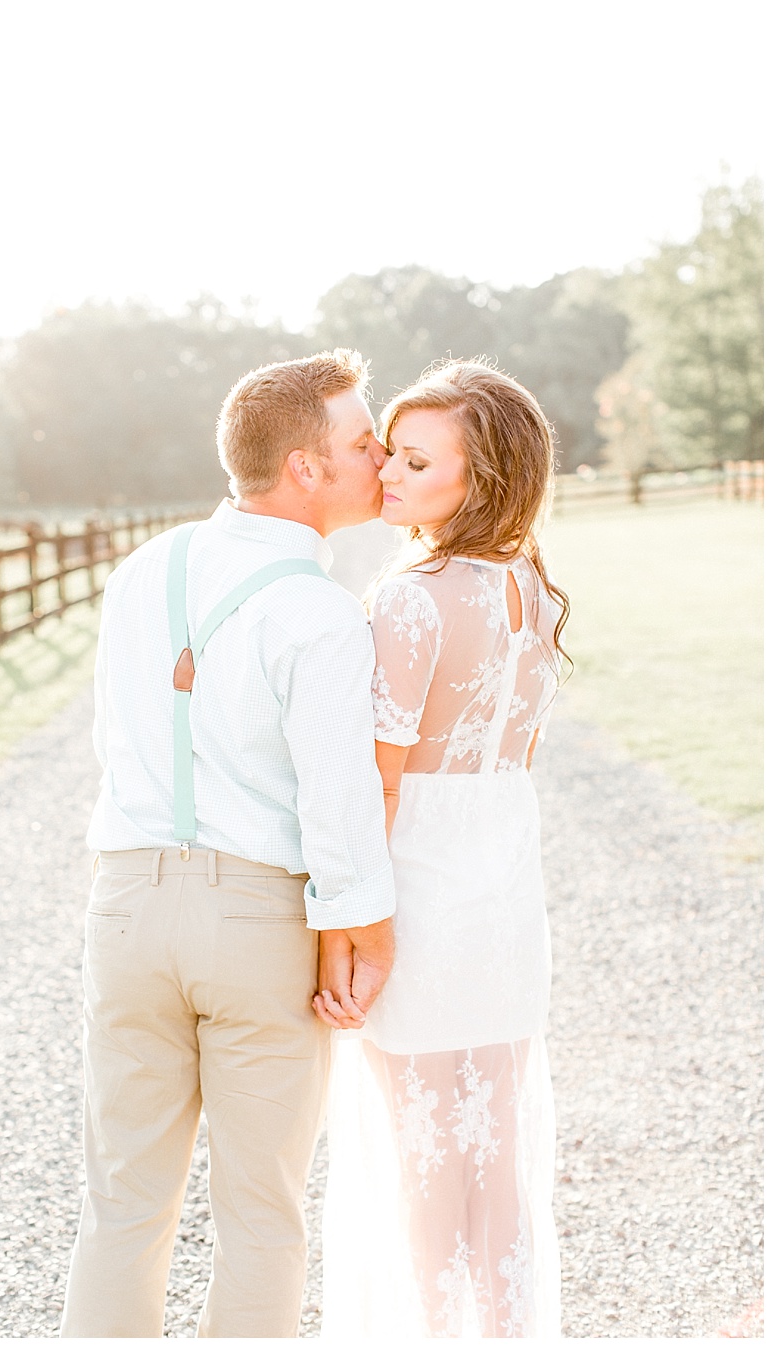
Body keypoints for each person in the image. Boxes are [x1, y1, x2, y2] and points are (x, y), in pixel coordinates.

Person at [61, 350, 397, 1337]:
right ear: (306, 467)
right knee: (262, 1217)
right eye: (363, 442)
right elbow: (337, 806)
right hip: (255, 919)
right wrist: (361, 930)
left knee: (122, 1204)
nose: (380, 456)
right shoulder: (323, 614)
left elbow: (113, 735)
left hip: (124, 904)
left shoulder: (140, 569)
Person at [316, 361, 569, 1337]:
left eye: (417, 462)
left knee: (422, 1160)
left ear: (485, 479)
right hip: (504, 902)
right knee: (491, 1158)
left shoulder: (412, 599)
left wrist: (345, 929)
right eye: (391, 451)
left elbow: (380, 782)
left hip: (421, 894)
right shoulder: (534, 593)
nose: (387, 473)